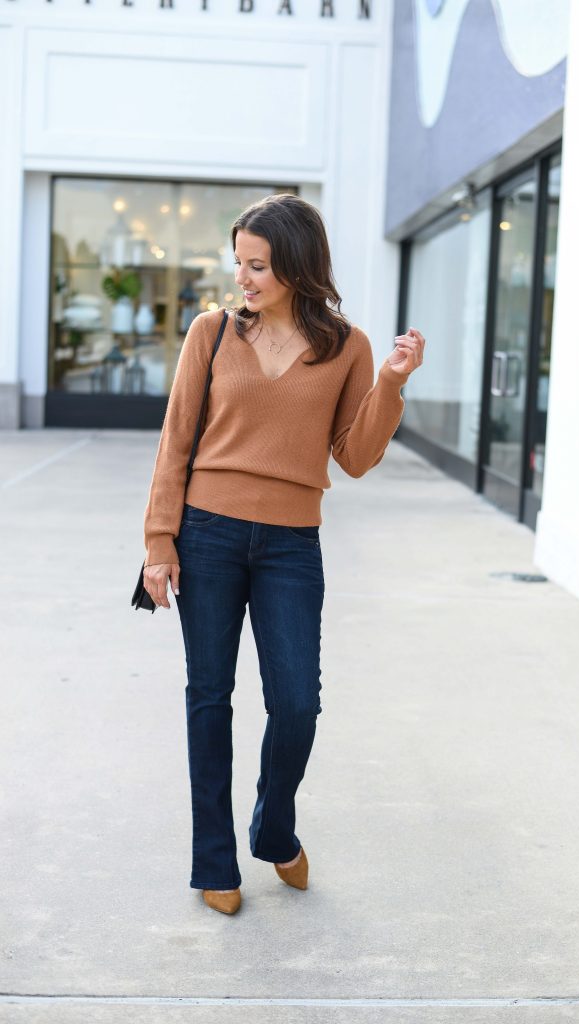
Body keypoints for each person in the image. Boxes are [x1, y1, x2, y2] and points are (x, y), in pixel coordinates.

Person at [142, 193, 425, 916]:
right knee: (208, 698)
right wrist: (158, 543)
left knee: (297, 703)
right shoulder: (211, 333)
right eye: (239, 262)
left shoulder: (346, 347)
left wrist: (388, 385)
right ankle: (214, 862)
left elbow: (355, 456)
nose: (244, 277)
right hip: (205, 534)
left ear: (297, 265)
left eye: (258, 265)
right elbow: (175, 444)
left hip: (291, 545)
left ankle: (273, 829)